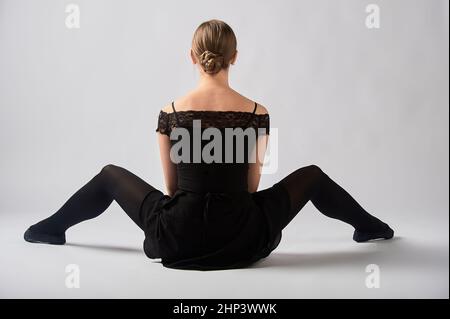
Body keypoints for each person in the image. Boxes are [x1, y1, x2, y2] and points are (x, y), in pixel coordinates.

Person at [24, 19, 394, 271]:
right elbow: (251, 188)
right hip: (242, 238)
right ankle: (371, 227)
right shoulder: (256, 112)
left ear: (192, 56)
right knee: (311, 176)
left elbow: (171, 189)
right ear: (234, 57)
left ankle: (50, 229)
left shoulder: (169, 112)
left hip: (178, 237)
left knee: (110, 175)